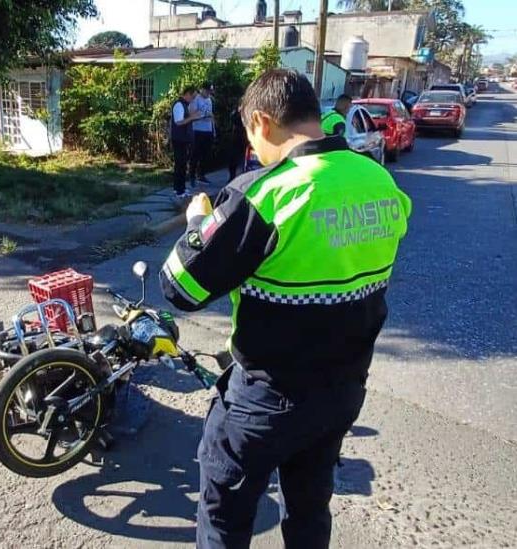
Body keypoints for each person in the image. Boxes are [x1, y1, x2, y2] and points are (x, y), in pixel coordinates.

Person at [159, 69, 411, 548]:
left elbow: (179, 288)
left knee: (224, 519)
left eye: (251, 136)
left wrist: (200, 222)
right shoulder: (379, 180)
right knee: (310, 510)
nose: (253, 150)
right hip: (341, 391)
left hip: (265, 402)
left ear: (261, 122)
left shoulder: (265, 193)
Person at [171, 86, 201, 198]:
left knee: (181, 164)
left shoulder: (184, 105)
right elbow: (178, 122)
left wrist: (193, 117)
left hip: (183, 139)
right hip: (179, 139)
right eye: (192, 97)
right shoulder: (179, 104)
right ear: (187, 94)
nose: (192, 100)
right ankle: (179, 190)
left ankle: (179, 188)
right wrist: (192, 117)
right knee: (180, 165)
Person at [189, 82, 215, 186]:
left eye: (210, 91)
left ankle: (201, 175)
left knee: (205, 154)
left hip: (208, 130)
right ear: (202, 89)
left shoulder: (209, 100)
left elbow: (211, 114)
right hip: (198, 130)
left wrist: (213, 130)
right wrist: (203, 115)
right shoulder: (196, 100)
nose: (209, 93)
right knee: (195, 154)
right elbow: (191, 113)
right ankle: (191, 175)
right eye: (208, 91)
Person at [228, 103, 247, 182]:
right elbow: (233, 120)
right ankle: (232, 176)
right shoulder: (236, 113)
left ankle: (244, 175)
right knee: (233, 158)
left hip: (246, 137)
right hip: (236, 137)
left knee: (245, 159)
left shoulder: (248, 113)